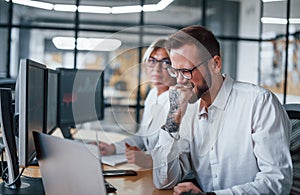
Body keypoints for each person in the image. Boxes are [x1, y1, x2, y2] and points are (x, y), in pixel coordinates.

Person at [151, 25, 293, 194]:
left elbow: (276, 182)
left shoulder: (259, 102)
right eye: (175, 71)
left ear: (215, 64)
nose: (180, 81)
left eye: (187, 71)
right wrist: (173, 117)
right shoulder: (187, 110)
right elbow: (163, 181)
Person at [98, 39, 176, 169]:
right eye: (152, 61)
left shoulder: (179, 101)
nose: (156, 68)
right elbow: (142, 137)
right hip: (151, 172)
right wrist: (112, 148)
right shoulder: (152, 95)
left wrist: (148, 159)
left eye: (165, 62)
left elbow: (177, 153)